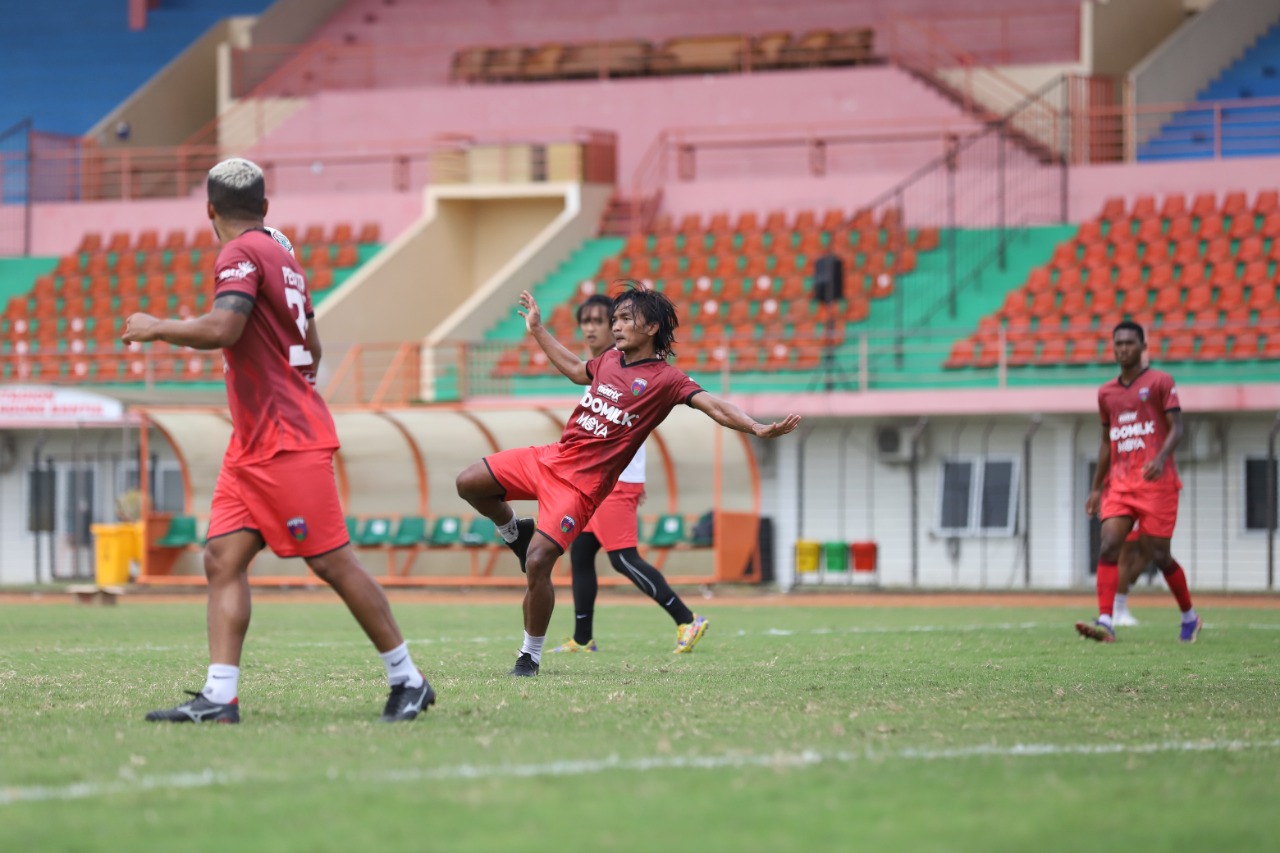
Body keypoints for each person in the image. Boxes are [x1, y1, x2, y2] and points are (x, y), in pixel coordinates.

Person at [123, 158, 434, 723]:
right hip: (255, 441)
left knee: (331, 562)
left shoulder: (239, 253)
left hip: (284, 441)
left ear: (210, 210)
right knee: (222, 557)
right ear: (265, 207)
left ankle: (407, 678)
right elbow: (312, 349)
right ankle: (220, 696)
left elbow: (225, 329)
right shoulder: (285, 257)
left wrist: (156, 326)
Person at [456, 282, 801, 676]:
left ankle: (528, 656)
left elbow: (715, 406)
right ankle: (514, 530)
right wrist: (537, 329)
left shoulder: (666, 380)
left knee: (540, 562)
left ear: (651, 327)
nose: (614, 326)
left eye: (624, 318)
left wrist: (756, 428)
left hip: (580, 488)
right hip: (550, 458)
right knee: (468, 482)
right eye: (613, 319)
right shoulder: (607, 362)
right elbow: (573, 369)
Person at [548, 294, 707, 655]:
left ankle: (687, 618)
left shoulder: (641, 367)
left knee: (622, 557)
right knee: (582, 554)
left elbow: (635, 425)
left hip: (615, 481)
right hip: (596, 479)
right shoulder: (608, 364)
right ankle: (583, 639)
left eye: (600, 321)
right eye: (585, 321)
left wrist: (634, 478)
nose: (593, 327)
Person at [1076, 320, 1201, 644]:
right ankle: (1106, 619)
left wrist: (1159, 460)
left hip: (1157, 484)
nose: (1123, 349)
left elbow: (1178, 428)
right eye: (1118, 343)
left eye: (1130, 343)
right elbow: (1107, 442)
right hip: (1119, 484)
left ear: (1143, 346)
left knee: (1159, 555)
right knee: (1108, 545)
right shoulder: (1106, 393)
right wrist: (1095, 488)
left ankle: (1189, 616)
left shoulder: (1160, 381)